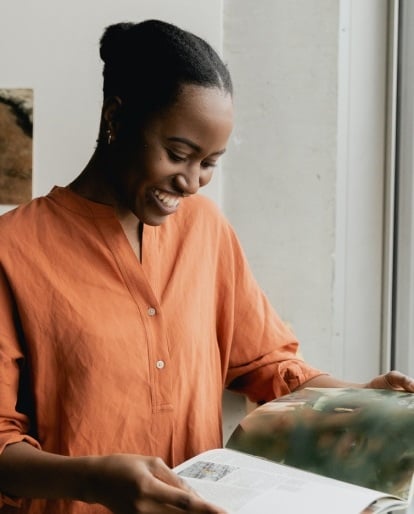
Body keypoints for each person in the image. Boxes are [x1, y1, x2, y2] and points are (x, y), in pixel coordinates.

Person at [0, 19, 413, 514]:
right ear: (116, 118)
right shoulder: (14, 250)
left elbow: (267, 365)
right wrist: (94, 479)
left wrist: (363, 398)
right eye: (179, 154)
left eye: (210, 162)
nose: (193, 182)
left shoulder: (206, 229)